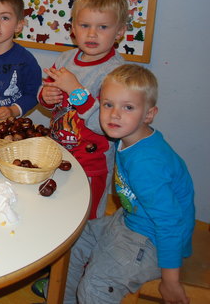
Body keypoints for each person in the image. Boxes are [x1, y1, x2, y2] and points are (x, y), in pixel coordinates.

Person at [64, 64, 195, 304]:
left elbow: (170, 223)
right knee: (72, 242)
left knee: (94, 288)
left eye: (128, 107)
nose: (114, 114)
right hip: (130, 219)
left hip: (152, 240)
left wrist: (171, 281)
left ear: (148, 114)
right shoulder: (129, 136)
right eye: (108, 104)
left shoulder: (147, 164)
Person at [38, 0, 127, 220]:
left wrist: (76, 90)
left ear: (119, 32)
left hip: (92, 163)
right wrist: (46, 96)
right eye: (85, 25)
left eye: (103, 27)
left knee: (87, 219)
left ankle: (84, 258)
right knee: (59, 211)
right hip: (59, 152)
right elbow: (47, 96)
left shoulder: (117, 73)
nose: (91, 34)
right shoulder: (66, 58)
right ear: (73, 28)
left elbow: (109, 126)